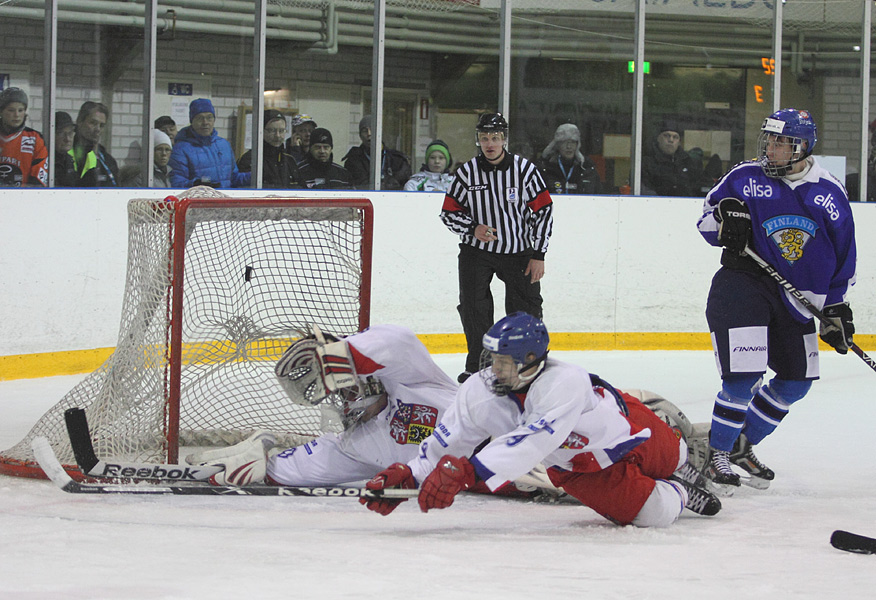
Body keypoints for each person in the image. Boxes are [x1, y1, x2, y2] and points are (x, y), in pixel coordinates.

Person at [361, 312, 721, 525]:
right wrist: (411, 475)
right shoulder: (479, 390)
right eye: (492, 359)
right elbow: (450, 438)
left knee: (674, 455)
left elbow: (534, 439)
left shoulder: (564, 381)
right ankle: (680, 491)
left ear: (531, 360)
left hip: (628, 430)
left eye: (504, 362)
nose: (493, 370)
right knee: (652, 515)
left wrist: (470, 472)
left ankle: (679, 468)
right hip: (580, 469)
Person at [696, 108, 856, 491]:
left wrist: (835, 306)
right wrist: (726, 224)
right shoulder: (744, 177)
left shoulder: (828, 192)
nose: (772, 147)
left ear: (801, 147)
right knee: (744, 376)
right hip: (744, 283)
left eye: (781, 142)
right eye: (769, 139)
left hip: (797, 298)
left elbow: (844, 253)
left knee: (796, 382)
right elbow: (705, 221)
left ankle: (740, 445)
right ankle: (716, 453)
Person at [189, 325, 456, 487]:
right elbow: (307, 465)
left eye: (347, 389)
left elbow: (398, 341)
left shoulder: (413, 380)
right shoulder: (360, 444)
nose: (346, 402)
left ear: (370, 380)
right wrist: (261, 466)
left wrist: (340, 353)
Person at [440, 112, 553, 384]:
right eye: (484, 138)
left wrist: (538, 254)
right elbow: (448, 212)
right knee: (473, 308)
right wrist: (472, 228)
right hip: (476, 252)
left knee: (525, 310)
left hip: (519, 252)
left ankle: (527, 363)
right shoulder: (467, 172)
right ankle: (478, 365)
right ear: (477, 140)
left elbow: (544, 210)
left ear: (504, 140)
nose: (489, 144)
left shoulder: (525, 171)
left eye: (495, 138)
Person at [169, 98, 250, 189]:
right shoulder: (181, 149)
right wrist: (196, 184)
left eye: (209, 117)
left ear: (214, 120)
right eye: (200, 118)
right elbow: (176, 183)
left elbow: (233, 178)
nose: (205, 122)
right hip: (198, 201)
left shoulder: (224, 145)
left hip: (224, 201)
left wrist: (254, 176)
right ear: (192, 121)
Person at [0, 87, 49, 187]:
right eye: (11, 110)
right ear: (0, 111)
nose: (17, 115)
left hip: (24, 198)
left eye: (20, 110)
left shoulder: (35, 138)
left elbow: (39, 178)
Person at [342, 115, 412, 190]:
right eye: (365, 131)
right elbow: (358, 186)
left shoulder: (397, 160)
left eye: (372, 129)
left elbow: (406, 187)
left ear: (380, 132)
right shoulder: (354, 161)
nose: (369, 134)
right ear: (360, 135)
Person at [236, 109, 301, 189]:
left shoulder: (289, 160)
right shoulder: (250, 159)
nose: (277, 135)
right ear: (261, 131)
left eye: (281, 131)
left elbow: (300, 188)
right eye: (272, 130)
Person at [641, 119, 702, 197]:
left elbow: (698, 188)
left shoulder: (688, 162)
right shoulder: (647, 163)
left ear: (679, 142)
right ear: (658, 139)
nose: (671, 140)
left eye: (675, 137)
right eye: (666, 136)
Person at [538, 123, 601, 195]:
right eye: (564, 142)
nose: (569, 146)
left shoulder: (587, 169)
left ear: (578, 145)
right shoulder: (546, 169)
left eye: (573, 142)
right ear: (557, 145)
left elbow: (599, 197)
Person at [71, 101, 119, 187]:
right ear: (79, 121)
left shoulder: (107, 160)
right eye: (93, 123)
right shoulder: (66, 153)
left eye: (101, 125)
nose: (97, 129)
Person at [53, 111, 79, 187]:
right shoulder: (46, 161)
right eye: (61, 133)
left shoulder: (70, 160)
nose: (67, 139)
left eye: (70, 133)